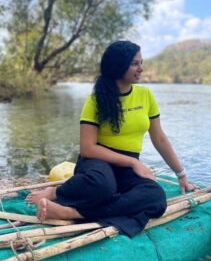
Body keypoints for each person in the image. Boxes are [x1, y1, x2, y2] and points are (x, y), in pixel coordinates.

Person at [26, 40, 198, 237]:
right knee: (103, 185)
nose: (141, 69)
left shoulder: (146, 95)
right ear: (118, 65)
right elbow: (87, 148)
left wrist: (181, 175)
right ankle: (56, 192)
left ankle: (72, 213)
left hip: (125, 169)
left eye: (141, 63)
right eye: (135, 63)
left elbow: (159, 138)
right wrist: (133, 162)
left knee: (156, 197)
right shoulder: (95, 100)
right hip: (97, 162)